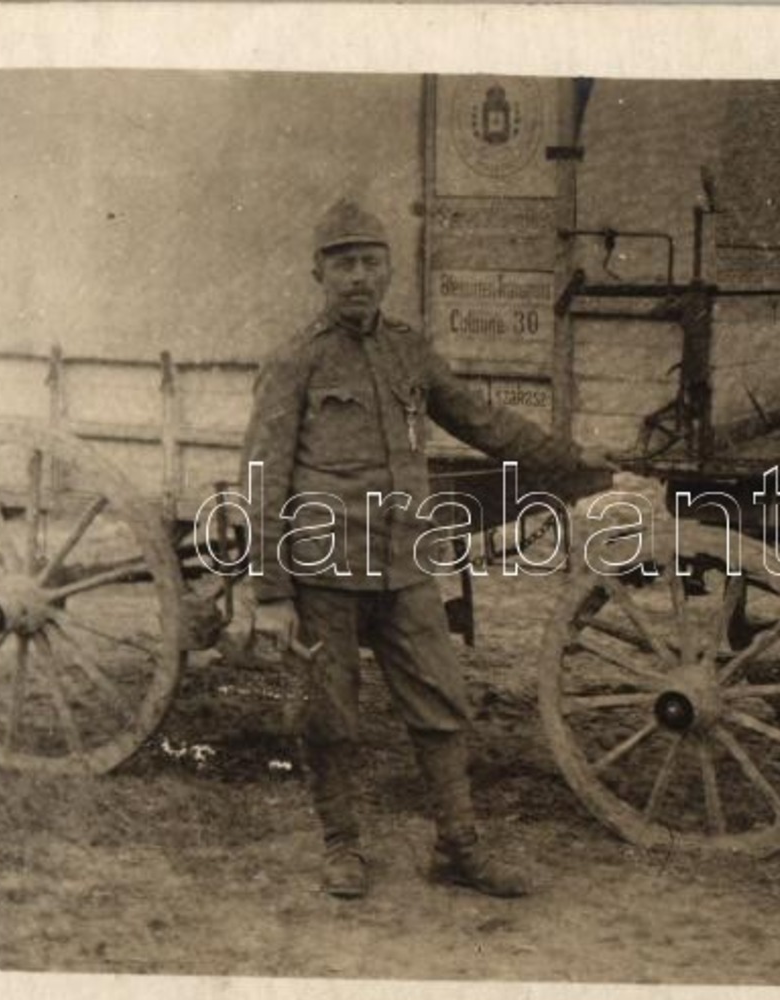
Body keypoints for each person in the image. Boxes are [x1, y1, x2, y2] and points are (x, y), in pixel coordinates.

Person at [242, 198, 606, 900]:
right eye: (343, 263)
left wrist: (571, 464)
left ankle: (457, 847)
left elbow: (481, 420)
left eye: (370, 262)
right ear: (316, 272)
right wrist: (271, 593)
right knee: (329, 712)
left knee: (442, 699)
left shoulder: (407, 350)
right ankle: (341, 846)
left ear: (387, 271)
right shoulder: (295, 361)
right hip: (326, 565)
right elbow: (261, 478)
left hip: (405, 563)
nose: (358, 277)